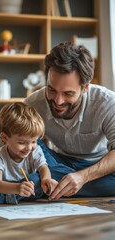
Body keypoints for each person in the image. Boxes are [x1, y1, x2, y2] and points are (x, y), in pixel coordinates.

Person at [24, 41, 115, 200]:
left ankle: (45, 185)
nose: (58, 101)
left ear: (85, 87)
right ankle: (52, 184)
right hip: (55, 162)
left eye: (68, 93)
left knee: (33, 180)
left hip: (97, 168)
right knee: (26, 142)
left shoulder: (107, 103)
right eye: (51, 90)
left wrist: (83, 177)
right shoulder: (32, 104)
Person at [0, 102, 57, 204]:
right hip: (4, 191)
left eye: (34, 141)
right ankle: (12, 197)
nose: (29, 148)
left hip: (31, 190)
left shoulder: (35, 150)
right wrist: (17, 188)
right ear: (4, 138)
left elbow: (43, 168)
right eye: (22, 142)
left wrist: (46, 180)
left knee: (36, 178)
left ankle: (10, 198)